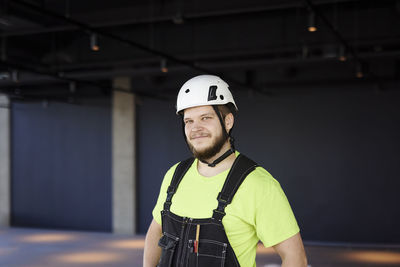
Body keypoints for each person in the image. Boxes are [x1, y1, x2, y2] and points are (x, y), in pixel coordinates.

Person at [143, 75, 307, 267]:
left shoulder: (258, 184)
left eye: (205, 118)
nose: (196, 128)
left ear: (228, 121)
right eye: (189, 121)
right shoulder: (175, 175)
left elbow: (295, 258)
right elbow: (156, 229)